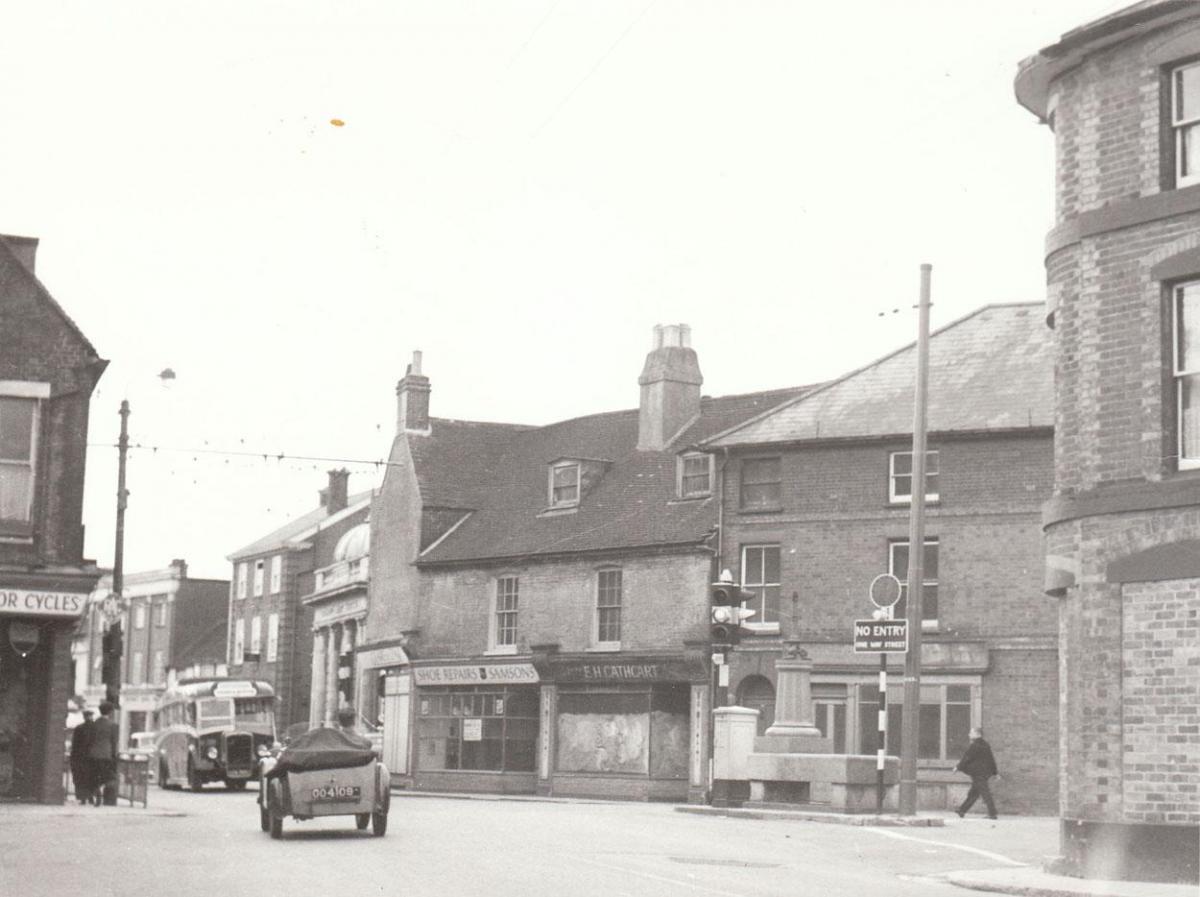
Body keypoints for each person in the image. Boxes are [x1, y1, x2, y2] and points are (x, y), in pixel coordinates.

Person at [955, 727, 999, 819]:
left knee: (985, 792)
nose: (969, 734)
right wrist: (995, 772)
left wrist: (958, 767)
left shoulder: (974, 745)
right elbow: (991, 759)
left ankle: (992, 813)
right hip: (985, 773)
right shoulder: (986, 745)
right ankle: (962, 810)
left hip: (978, 773)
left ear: (978, 734)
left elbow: (966, 758)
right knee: (974, 792)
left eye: (971, 733)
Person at [87, 701, 120, 806]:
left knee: (94, 774)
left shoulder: (94, 724)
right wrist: (114, 755)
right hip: (106, 754)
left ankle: (95, 789)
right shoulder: (113, 725)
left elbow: (89, 740)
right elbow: (114, 742)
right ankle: (100, 789)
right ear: (110, 712)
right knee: (107, 775)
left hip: (93, 754)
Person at [69, 709, 95, 805]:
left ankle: (83, 798)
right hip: (93, 757)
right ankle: (91, 797)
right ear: (91, 717)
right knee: (92, 777)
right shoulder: (96, 728)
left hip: (81, 757)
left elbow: (75, 744)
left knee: (81, 777)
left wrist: (73, 757)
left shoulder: (79, 728)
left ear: (84, 717)